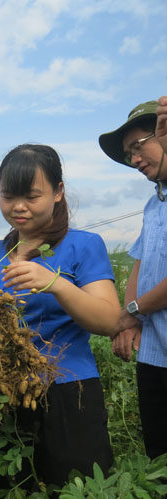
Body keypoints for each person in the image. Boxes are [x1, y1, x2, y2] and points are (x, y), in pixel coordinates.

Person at [0, 144, 118, 488]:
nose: (18, 207)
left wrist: (55, 283)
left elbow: (110, 320)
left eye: (31, 196)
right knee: (15, 487)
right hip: (7, 393)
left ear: (58, 192)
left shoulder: (83, 245)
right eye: (9, 196)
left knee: (76, 488)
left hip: (70, 391)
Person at [99, 100, 167, 459]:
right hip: (155, 353)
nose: (134, 161)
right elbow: (139, 263)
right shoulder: (154, 204)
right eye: (129, 156)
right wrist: (131, 319)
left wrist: (134, 310)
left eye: (137, 148)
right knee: (158, 453)